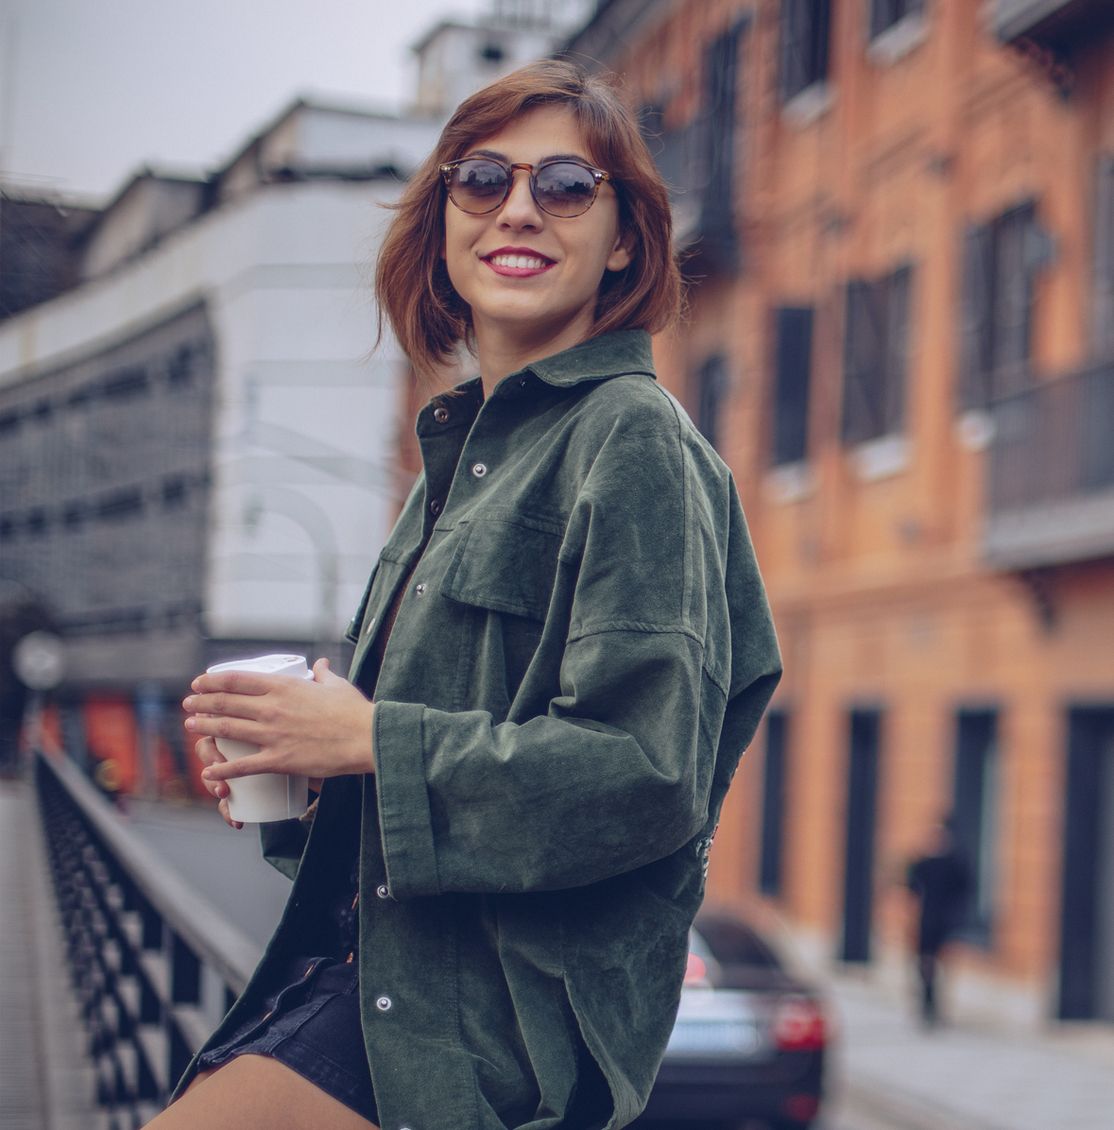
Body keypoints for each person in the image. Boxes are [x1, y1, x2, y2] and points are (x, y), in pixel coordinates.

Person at [156, 59, 780, 1130]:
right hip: (370, 978)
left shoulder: (631, 439)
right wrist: (306, 774)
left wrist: (366, 741)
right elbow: (435, 779)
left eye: (566, 186)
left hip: (481, 1027)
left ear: (624, 236)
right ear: (444, 221)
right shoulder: (461, 460)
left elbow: (642, 773)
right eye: (481, 180)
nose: (518, 209)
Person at [905, 823, 973, 1028]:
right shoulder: (926, 864)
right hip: (930, 920)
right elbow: (912, 887)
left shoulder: (950, 863)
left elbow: (964, 887)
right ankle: (927, 1004)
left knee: (941, 965)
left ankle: (936, 1005)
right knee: (926, 963)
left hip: (943, 921)